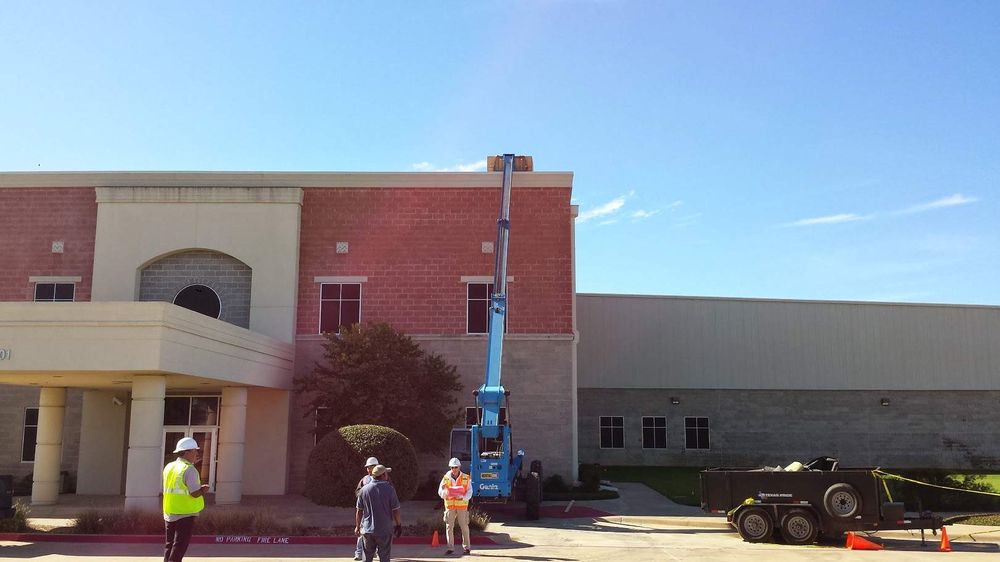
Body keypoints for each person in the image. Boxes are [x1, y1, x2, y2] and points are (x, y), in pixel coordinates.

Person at [162, 436, 210, 562]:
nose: (197, 454)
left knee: (169, 544)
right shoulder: (189, 469)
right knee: (179, 546)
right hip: (185, 513)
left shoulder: (169, 467)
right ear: (187, 452)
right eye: (195, 451)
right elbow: (194, 493)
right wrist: (203, 490)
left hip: (169, 511)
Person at [355, 464, 402, 562]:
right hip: (384, 530)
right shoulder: (390, 489)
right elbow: (395, 510)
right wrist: (398, 525)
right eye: (386, 473)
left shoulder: (364, 490)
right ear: (384, 475)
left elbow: (359, 510)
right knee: (384, 557)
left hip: (367, 529)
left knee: (367, 558)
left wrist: (357, 526)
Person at [353, 457, 388, 560]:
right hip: (367, 511)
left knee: (378, 533)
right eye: (368, 468)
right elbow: (358, 492)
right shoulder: (364, 479)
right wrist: (366, 493)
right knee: (363, 532)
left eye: (371, 467)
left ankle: (377, 552)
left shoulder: (383, 478)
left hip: (380, 511)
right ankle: (359, 553)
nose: (369, 470)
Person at [438, 457, 473, 555]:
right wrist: (445, 492)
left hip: (462, 506)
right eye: (452, 467)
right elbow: (440, 491)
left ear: (459, 467)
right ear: (450, 467)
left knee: (464, 527)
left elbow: (470, 491)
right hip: (450, 507)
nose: (454, 469)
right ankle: (450, 548)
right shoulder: (445, 478)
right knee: (449, 527)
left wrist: (463, 497)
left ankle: (467, 548)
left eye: (456, 467)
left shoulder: (466, 477)